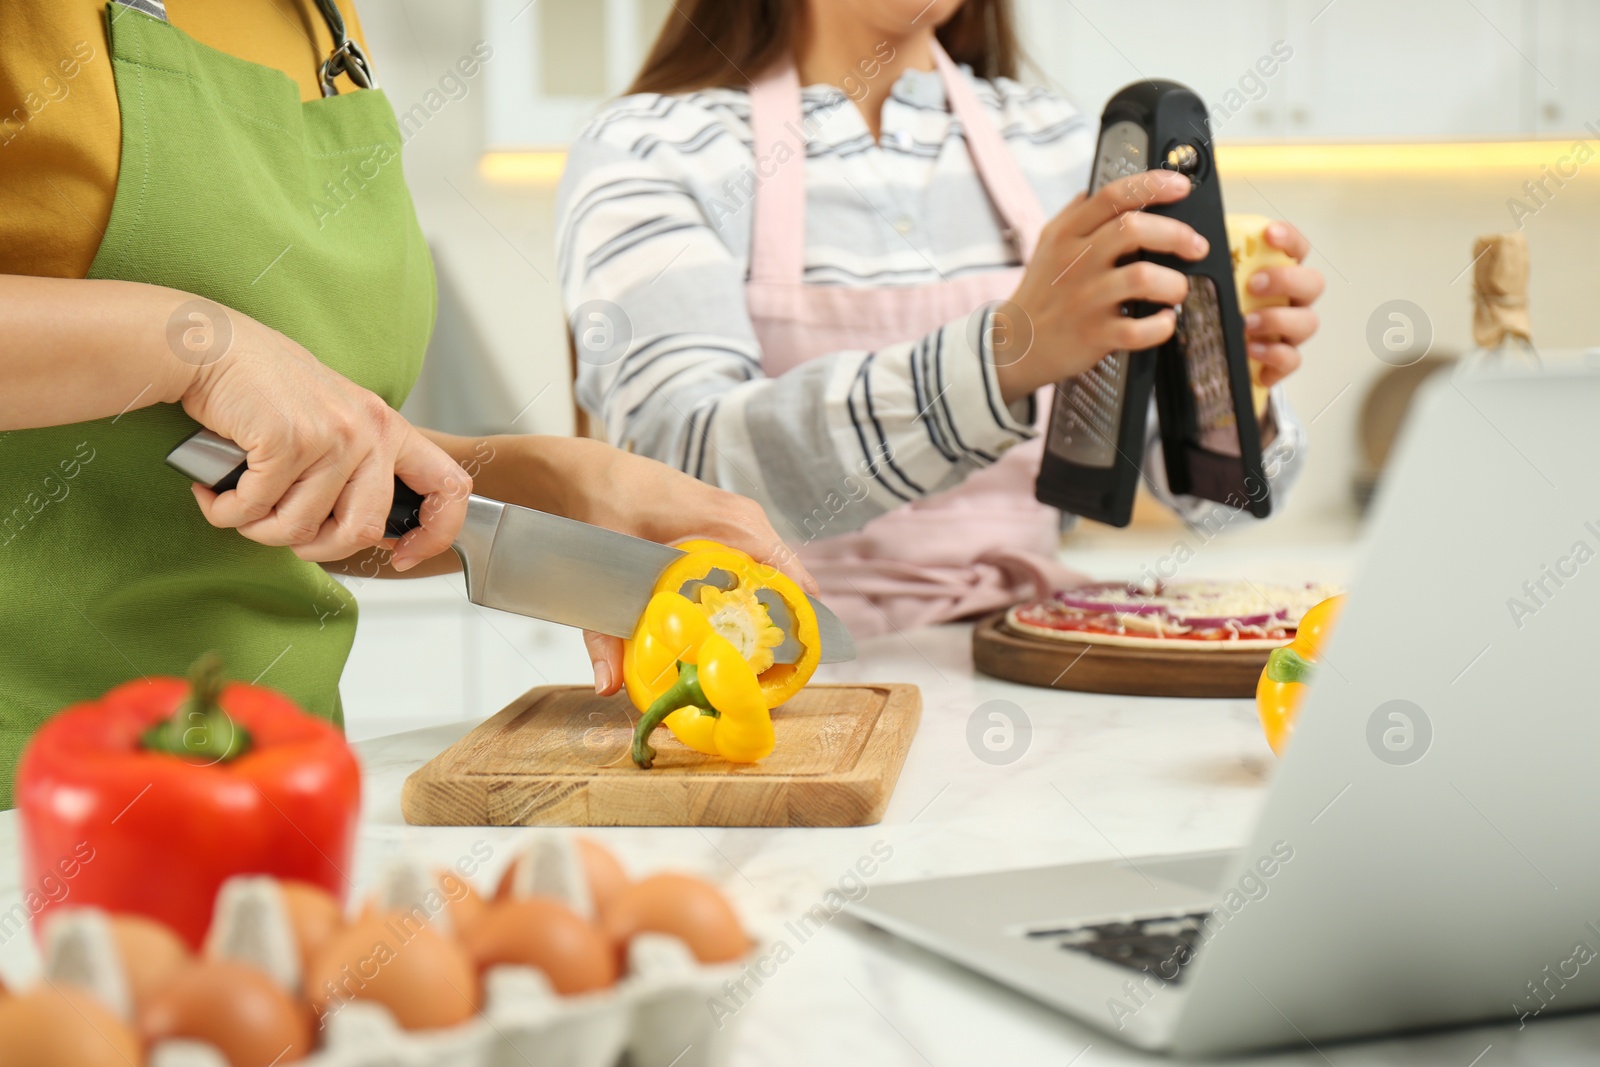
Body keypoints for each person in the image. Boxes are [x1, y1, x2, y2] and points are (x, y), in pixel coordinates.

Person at [0, 0, 809, 808]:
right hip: (32, 800)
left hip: (281, 787)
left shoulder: (326, 24)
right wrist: (195, 349)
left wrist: (561, 481)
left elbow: (292, 481)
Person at [556, 0, 1324, 636]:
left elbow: (1208, 505)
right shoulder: (650, 150)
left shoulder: (1058, 146)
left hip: (1034, 664)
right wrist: (1003, 357)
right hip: (774, 677)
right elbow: (678, 465)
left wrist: (1226, 391)